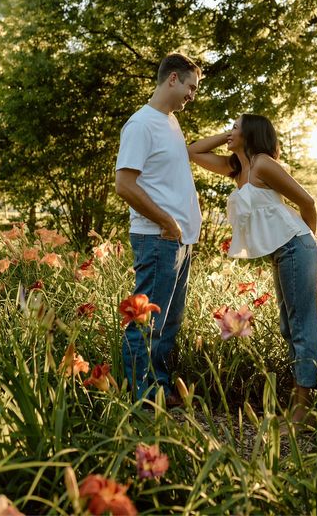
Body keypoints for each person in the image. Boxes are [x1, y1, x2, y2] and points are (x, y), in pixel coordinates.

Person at [187, 114, 317, 425]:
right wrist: (228, 136)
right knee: (289, 326)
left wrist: (309, 238)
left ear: (251, 133)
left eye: (235, 126)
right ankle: (301, 405)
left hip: (295, 245)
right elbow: (192, 151)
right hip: (282, 251)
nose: (229, 131)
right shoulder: (237, 168)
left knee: (301, 326)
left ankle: (303, 412)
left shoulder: (262, 164)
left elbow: (307, 201)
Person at [115, 52, 202, 406]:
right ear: (172, 79)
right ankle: (141, 398)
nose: (192, 95)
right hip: (157, 239)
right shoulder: (141, 124)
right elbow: (124, 184)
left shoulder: (170, 122)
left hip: (178, 242)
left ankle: (160, 390)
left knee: (167, 324)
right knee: (144, 322)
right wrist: (167, 221)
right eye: (191, 87)